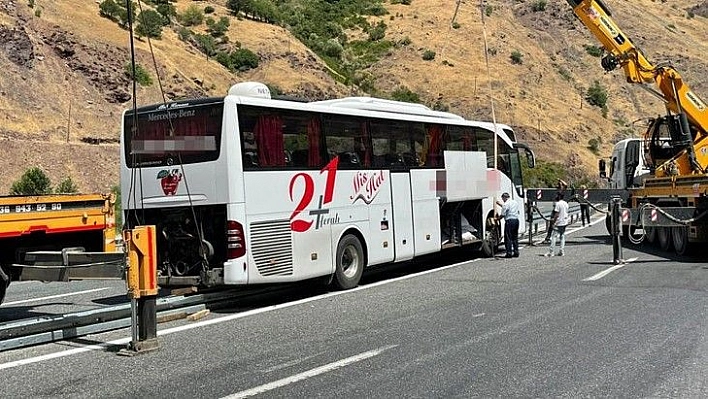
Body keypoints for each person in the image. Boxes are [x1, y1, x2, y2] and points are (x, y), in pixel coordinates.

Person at [542, 178, 568, 243]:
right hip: (555, 208)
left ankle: (556, 236)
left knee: (555, 222)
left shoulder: (562, 191)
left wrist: (560, 180)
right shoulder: (557, 191)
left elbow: (565, 185)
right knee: (551, 223)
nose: (558, 185)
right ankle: (548, 237)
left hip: (559, 208)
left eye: (559, 185)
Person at [545, 192, 570, 257]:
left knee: (554, 237)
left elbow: (556, 214)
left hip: (558, 222)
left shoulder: (558, 204)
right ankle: (561, 251)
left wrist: (553, 221)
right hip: (564, 222)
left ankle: (551, 252)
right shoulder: (566, 203)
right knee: (562, 237)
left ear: (559, 196)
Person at [496, 192, 520, 258]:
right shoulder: (515, 202)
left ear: (504, 197)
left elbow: (503, 214)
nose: (503, 200)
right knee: (514, 237)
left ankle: (509, 253)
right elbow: (510, 209)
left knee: (508, 237)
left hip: (509, 221)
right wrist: (501, 205)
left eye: (503, 198)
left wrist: (497, 219)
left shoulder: (505, 204)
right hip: (516, 220)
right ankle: (516, 252)